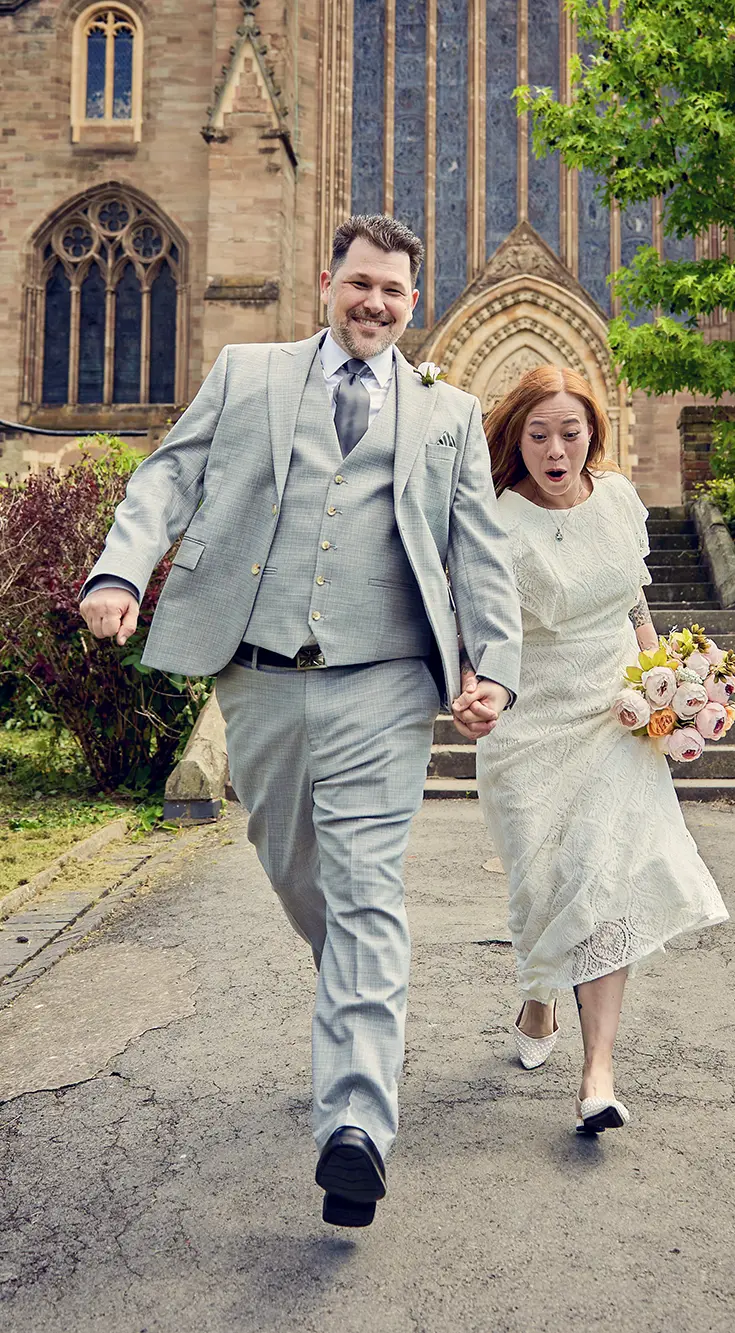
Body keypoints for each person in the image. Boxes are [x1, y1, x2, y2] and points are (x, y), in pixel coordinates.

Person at [79, 214, 521, 1226]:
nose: (375, 303)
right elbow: (167, 477)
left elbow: (477, 548)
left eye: (394, 292)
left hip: (385, 682)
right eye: (360, 283)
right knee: (292, 865)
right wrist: (117, 567)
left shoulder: (447, 413)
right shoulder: (247, 373)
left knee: (367, 888)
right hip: (260, 672)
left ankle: (354, 1126)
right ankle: (354, 990)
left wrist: (492, 666)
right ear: (327, 282)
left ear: (413, 303)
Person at [469, 365, 728, 1134]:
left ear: (594, 432)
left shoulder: (616, 497)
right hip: (530, 725)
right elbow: (484, 626)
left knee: (602, 875)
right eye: (539, 434)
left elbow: (632, 600)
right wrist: (479, 686)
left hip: (615, 714)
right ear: (517, 439)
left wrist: (668, 689)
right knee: (546, 882)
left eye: (570, 432)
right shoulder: (496, 521)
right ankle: (539, 999)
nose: (556, 450)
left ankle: (599, 1074)